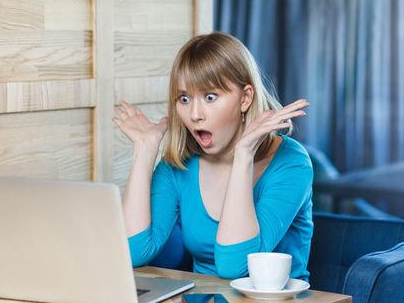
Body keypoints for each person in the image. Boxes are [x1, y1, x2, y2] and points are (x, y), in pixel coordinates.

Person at [112, 32, 313, 281]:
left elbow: (235, 267)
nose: (195, 114)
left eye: (210, 97)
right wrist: (144, 148)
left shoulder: (291, 162)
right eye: (184, 98)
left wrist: (243, 155)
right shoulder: (178, 166)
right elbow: (132, 253)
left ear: (245, 98)